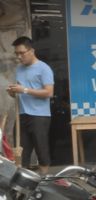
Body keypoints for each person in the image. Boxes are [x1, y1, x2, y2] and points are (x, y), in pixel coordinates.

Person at [6, 36, 54, 175]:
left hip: (39, 116)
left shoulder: (44, 68)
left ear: (31, 51)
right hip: (21, 115)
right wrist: (13, 92)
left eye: (22, 53)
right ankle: (22, 186)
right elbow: (21, 91)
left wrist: (24, 90)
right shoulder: (20, 69)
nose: (19, 57)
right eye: (16, 54)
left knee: (41, 150)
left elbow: (49, 92)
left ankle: (44, 183)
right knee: (21, 152)